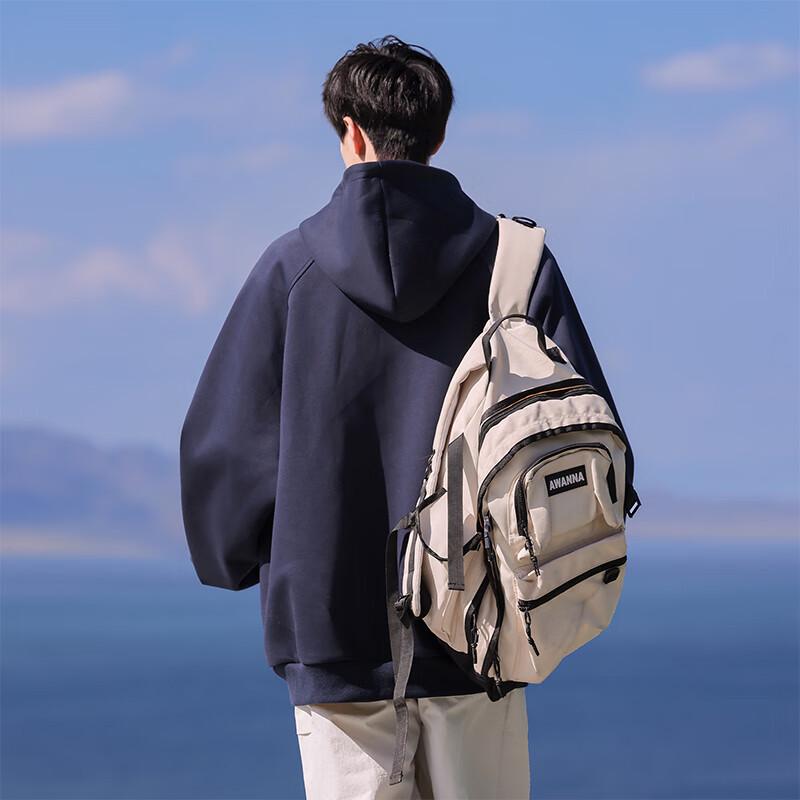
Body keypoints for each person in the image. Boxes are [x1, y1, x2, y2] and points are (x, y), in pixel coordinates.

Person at [179, 34, 636, 800]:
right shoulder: (515, 265)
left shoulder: (290, 271)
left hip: (334, 636)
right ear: (439, 135)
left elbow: (222, 456)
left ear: (350, 133)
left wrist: (250, 558)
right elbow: (586, 429)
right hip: (484, 627)